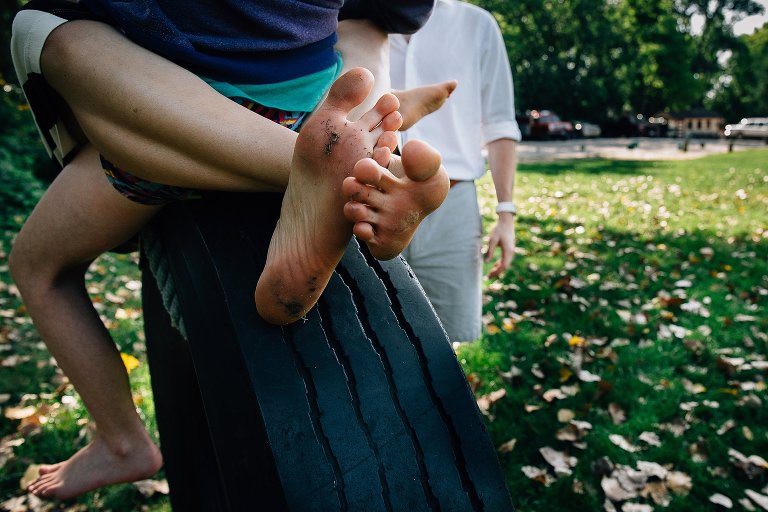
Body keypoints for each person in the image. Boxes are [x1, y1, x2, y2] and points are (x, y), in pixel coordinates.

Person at [8, 0, 452, 499]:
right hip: (309, 97)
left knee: (39, 264)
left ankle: (120, 441)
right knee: (367, 23)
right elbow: (379, 15)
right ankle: (360, 149)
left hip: (174, 119)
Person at [388, 0, 522, 343]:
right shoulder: (347, 20)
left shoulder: (477, 24)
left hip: (454, 203)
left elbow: (499, 124)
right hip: (370, 196)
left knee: (447, 341)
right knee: (369, 332)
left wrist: (505, 213)